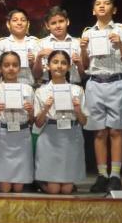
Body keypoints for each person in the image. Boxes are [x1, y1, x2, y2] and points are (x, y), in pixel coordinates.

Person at [80, 0, 122, 192]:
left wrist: (119, 44)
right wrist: (83, 49)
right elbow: (85, 66)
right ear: (93, 10)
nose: (102, 6)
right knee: (99, 131)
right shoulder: (87, 33)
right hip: (95, 83)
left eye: (107, 3)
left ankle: (115, 175)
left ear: (114, 9)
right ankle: (102, 175)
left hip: (116, 82)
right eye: (98, 4)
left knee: (116, 130)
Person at [34, 50, 88, 194]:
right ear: (48, 66)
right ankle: (39, 182)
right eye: (55, 62)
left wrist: (78, 110)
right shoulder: (41, 91)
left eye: (63, 63)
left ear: (69, 67)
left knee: (66, 190)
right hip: (50, 138)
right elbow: (38, 123)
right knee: (54, 189)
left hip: (71, 138)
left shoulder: (77, 90)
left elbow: (84, 122)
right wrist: (45, 109)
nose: (59, 66)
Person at [0, 51, 35, 193]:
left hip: (22, 136)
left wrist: (30, 112)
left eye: (15, 65)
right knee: (5, 188)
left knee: (18, 188)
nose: (11, 68)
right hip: (2, 137)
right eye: (6, 65)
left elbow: (33, 121)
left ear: (20, 67)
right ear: (0, 68)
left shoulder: (28, 89)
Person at [33, 6, 84, 85]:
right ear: (47, 25)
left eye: (61, 21)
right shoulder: (41, 44)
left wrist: (79, 63)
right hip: (48, 86)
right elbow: (36, 75)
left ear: (67, 21)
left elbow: (83, 76)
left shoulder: (77, 43)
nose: (58, 26)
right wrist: (39, 57)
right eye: (53, 23)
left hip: (72, 86)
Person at [0, 8, 40, 86]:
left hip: (29, 85)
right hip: (7, 85)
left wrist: (33, 63)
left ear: (28, 24)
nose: (19, 23)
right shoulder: (2, 43)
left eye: (23, 20)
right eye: (15, 20)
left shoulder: (34, 42)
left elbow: (39, 74)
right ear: (8, 24)